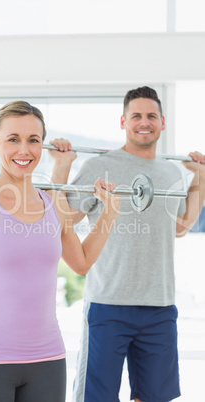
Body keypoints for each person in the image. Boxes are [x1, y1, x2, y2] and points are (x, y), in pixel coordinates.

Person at [0, 101, 121, 402]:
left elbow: (82, 263)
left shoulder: (54, 202)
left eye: (33, 140)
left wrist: (109, 214)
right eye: (13, 139)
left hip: (47, 361)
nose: (24, 150)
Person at [49, 86, 205, 402]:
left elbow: (180, 227)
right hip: (108, 303)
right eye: (136, 116)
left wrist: (200, 177)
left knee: (155, 398)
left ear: (162, 122)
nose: (143, 122)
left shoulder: (171, 171)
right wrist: (62, 166)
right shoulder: (99, 166)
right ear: (123, 122)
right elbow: (64, 219)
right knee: (97, 397)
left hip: (160, 306)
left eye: (150, 116)